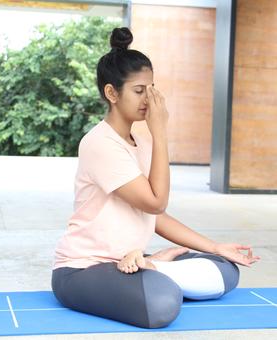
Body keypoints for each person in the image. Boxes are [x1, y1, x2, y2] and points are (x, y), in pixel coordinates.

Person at [51, 27, 260, 329]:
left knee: (225, 269)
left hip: (130, 261)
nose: (148, 99)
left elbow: (155, 217)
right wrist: (160, 131)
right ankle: (153, 268)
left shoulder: (142, 139)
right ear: (112, 93)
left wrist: (214, 247)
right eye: (139, 91)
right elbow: (155, 203)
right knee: (161, 303)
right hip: (84, 269)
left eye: (151, 89)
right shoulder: (99, 143)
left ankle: (150, 265)